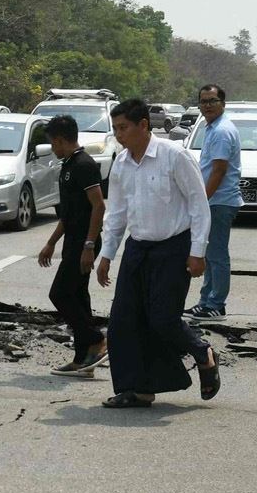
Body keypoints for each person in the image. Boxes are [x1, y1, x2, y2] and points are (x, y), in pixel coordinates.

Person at [95, 98, 222, 408]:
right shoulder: (121, 164)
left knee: (162, 319)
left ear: (143, 125)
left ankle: (202, 352)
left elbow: (198, 205)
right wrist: (106, 255)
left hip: (173, 247)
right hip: (138, 248)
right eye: (115, 129)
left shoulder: (174, 156)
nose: (119, 135)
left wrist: (198, 251)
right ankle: (138, 389)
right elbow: (117, 213)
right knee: (123, 321)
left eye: (123, 128)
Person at [36, 114, 107, 375]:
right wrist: (51, 243)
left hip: (84, 242)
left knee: (60, 294)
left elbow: (98, 206)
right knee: (78, 296)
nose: (52, 148)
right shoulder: (68, 165)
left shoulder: (84, 165)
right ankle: (83, 359)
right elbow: (69, 215)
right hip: (72, 241)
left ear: (60, 140)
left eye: (52, 143)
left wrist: (89, 245)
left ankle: (96, 339)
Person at [189, 84, 240, 318]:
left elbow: (219, 170)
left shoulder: (221, 131)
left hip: (219, 201)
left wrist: (202, 200)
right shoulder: (211, 128)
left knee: (217, 255)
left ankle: (216, 304)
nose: (207, 105)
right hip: (213, 201)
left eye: (212, 101)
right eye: (203, 101)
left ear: (223, 104)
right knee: (209, 254)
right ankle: (206, 301)